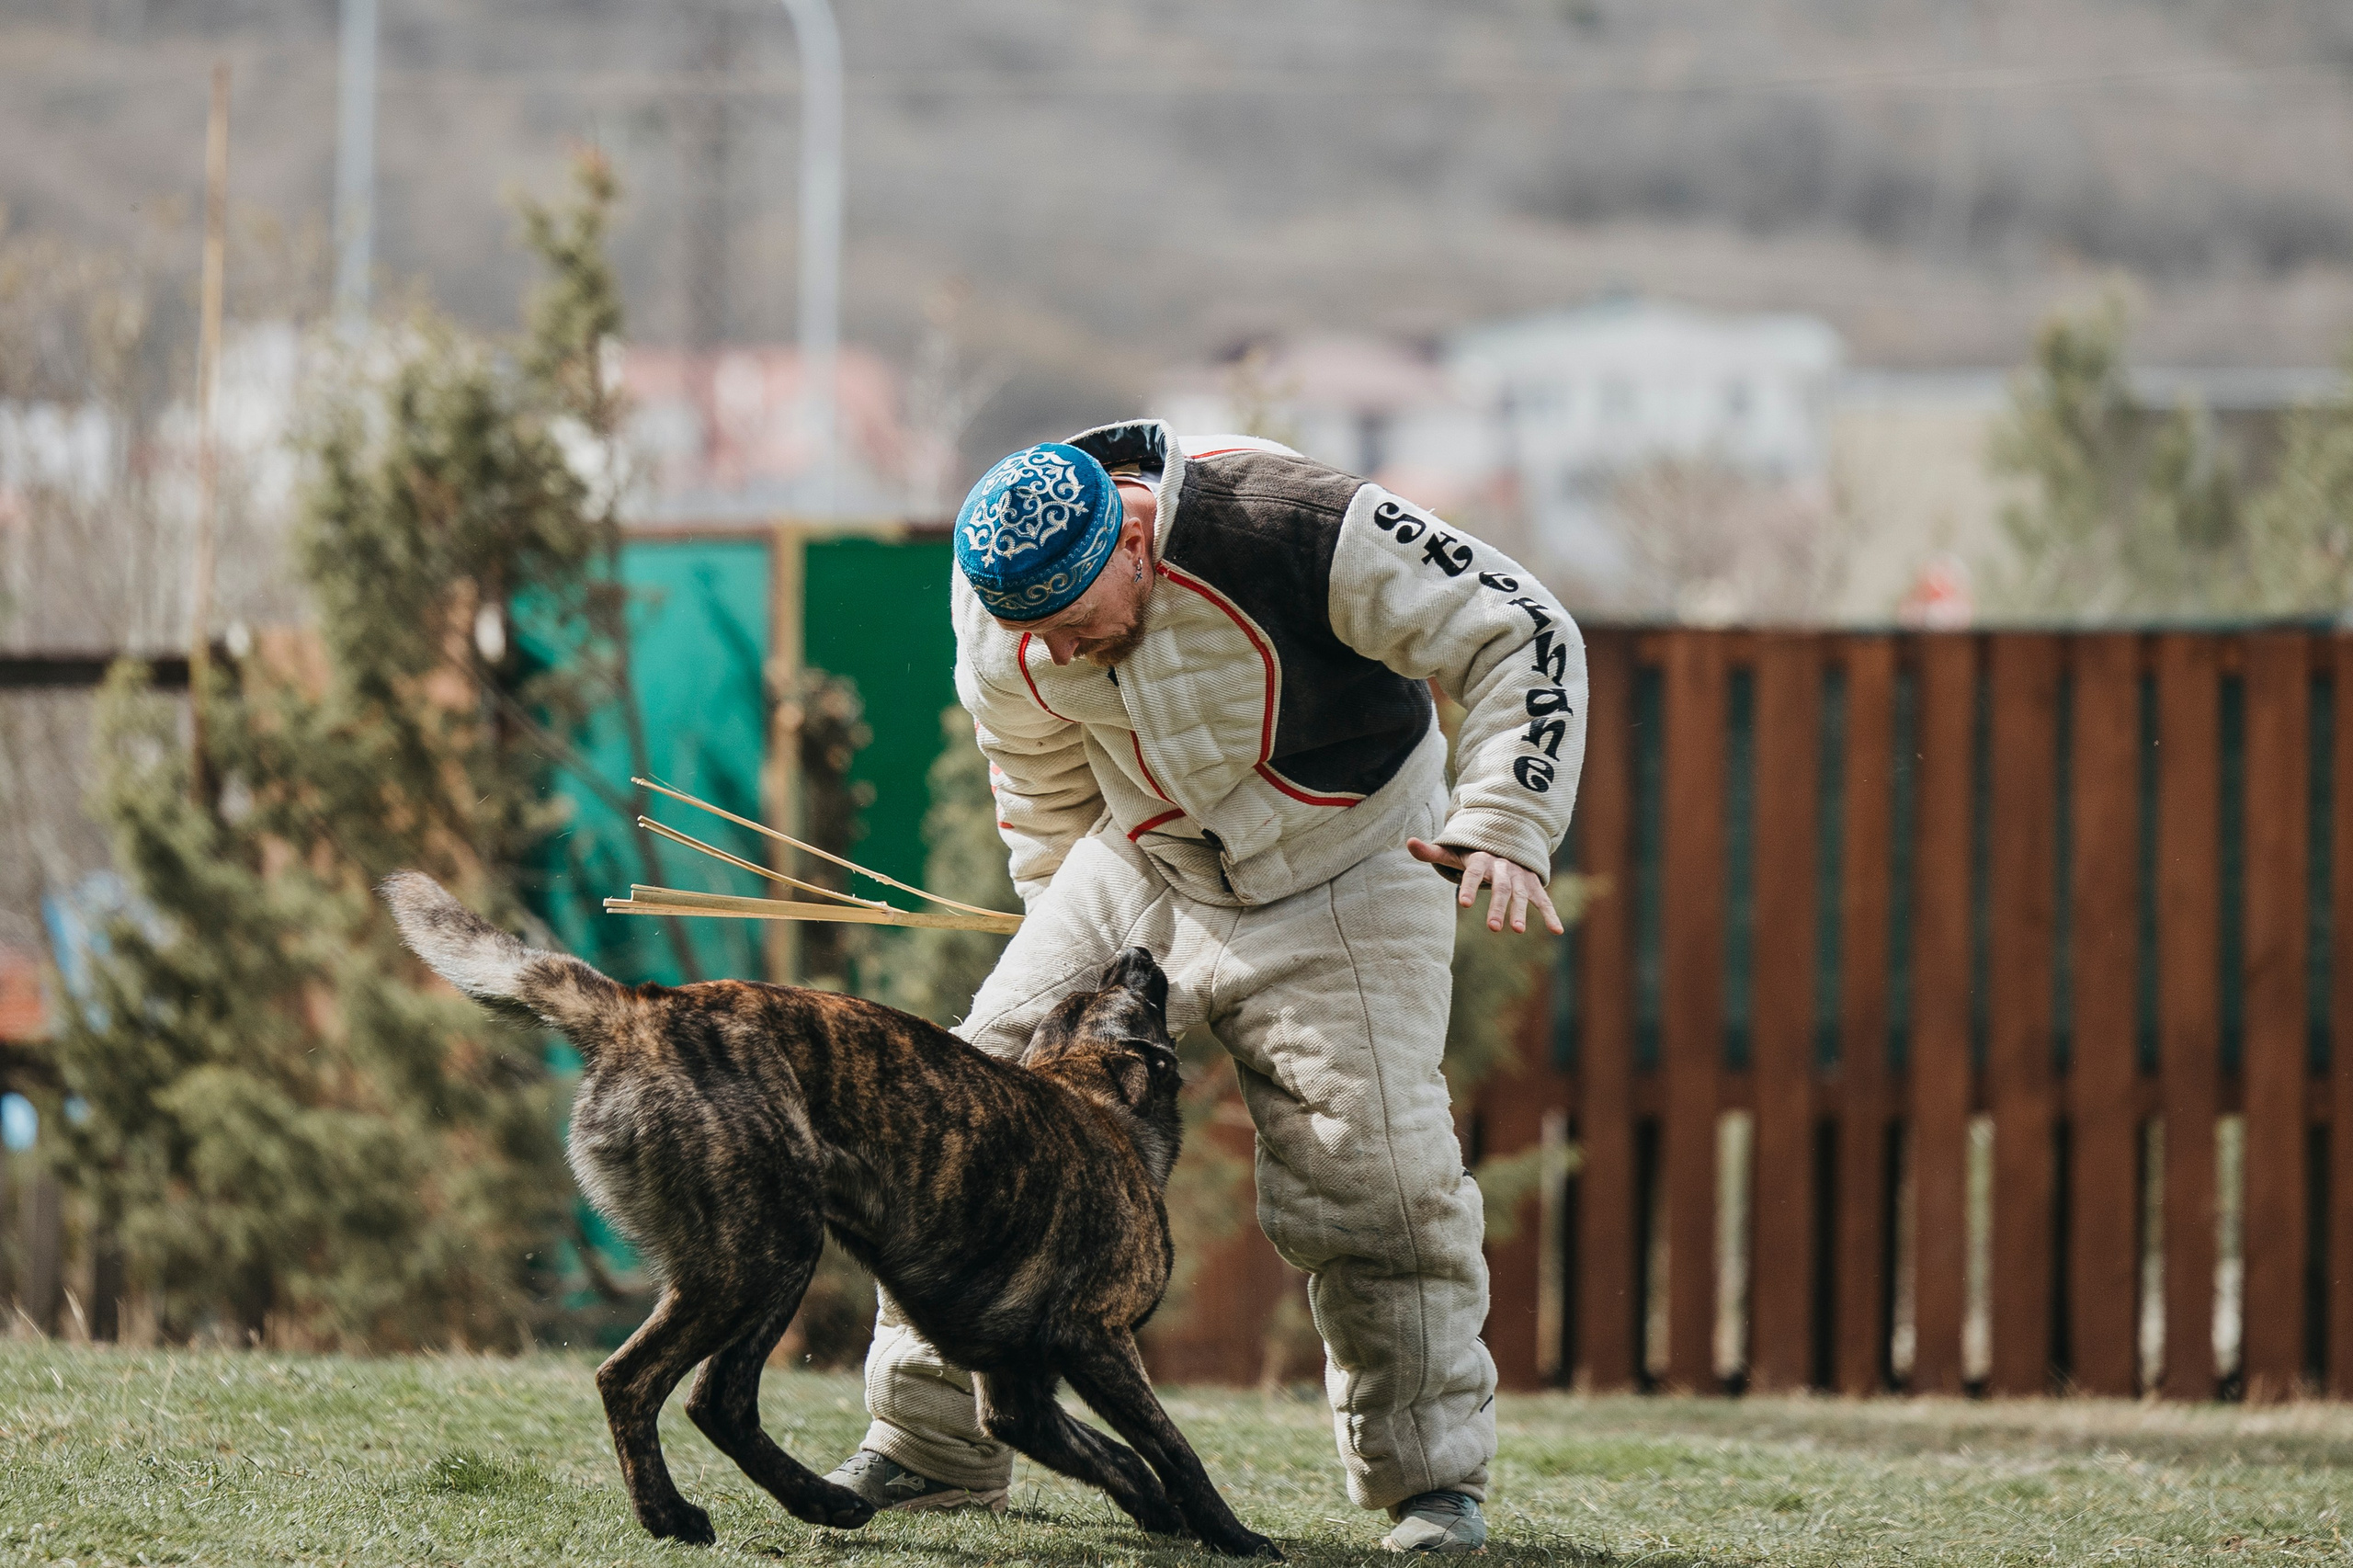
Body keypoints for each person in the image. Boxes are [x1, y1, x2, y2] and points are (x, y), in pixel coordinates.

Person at [824, 423, 1586, 1554]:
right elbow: (1033, 772)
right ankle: (933, 1445)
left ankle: (1431, 1487)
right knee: (970, 1109)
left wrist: (1507, 824)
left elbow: (1525, 630)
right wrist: (1051, 917)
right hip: (1142, 860)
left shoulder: (1299, 525)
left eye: (1082, 623)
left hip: (1355, 862)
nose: (1068, 654)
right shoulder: (1000, 599)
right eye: (1044, 636)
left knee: (1373, 1176)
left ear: (1132, 535)